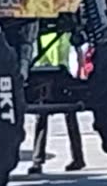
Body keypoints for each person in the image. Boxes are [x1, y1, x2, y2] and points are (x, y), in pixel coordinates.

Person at [28, 32, 86, 174]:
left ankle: (38, 161)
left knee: (42, 117)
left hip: (45, 73)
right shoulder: (63, 31)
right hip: (59, 73)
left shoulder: (42, 31)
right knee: (68, 116)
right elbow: (78, 51)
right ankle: (77, 158)